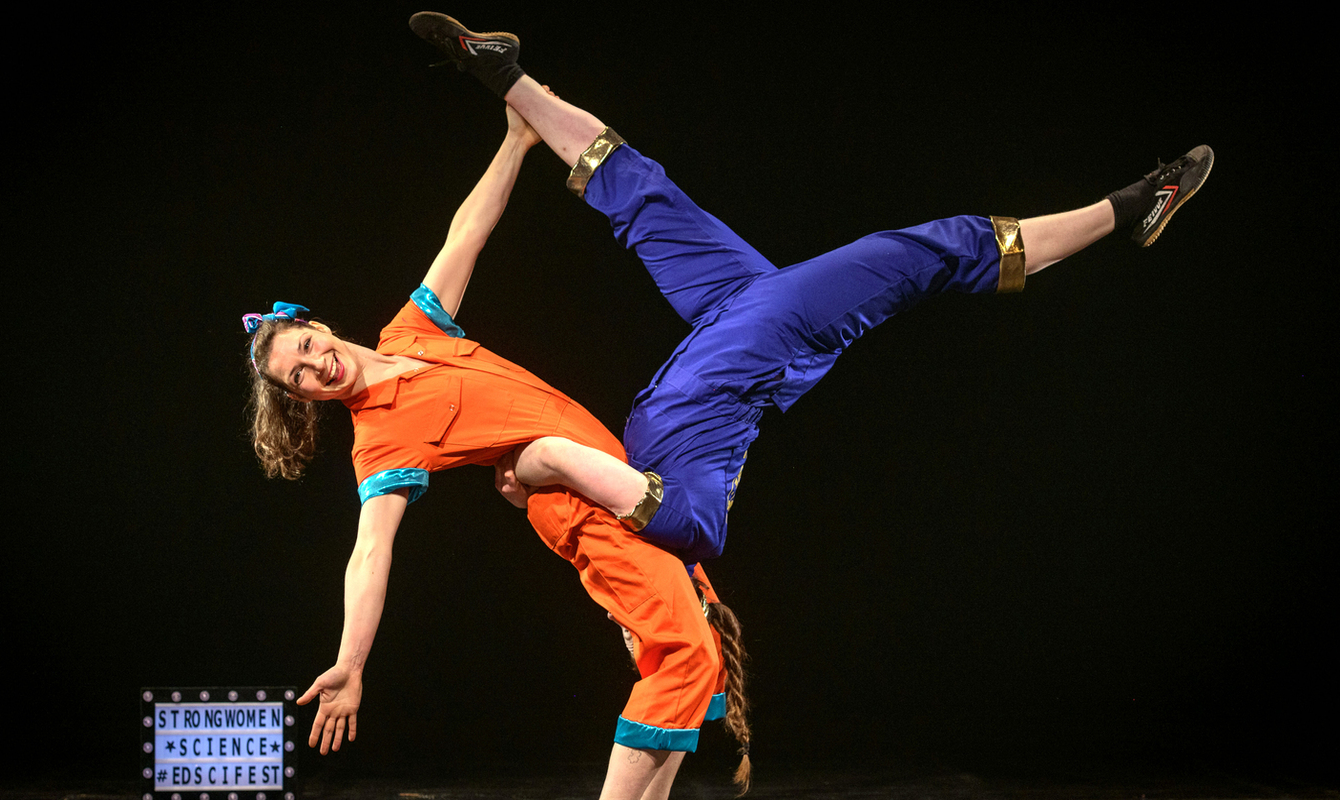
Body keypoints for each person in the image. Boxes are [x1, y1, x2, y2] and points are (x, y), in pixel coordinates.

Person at [410, 11, 1213, 574]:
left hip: (730, 315)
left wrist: (528, 489)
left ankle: (504, 72)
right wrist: (533, 479)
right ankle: (1126, 211)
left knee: (641, 195)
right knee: (928, 251)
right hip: (769, 333)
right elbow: (553, 460)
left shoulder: (627, 486)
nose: (516, 485)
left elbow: (556, 470)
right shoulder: (685, 521)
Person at [243, 84, 750, 800]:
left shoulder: (412, 331)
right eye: (299, 379)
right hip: (581, 504)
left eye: (305, 348)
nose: (315, 368)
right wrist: (351, 660)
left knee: (695, 663)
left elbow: (466, 232)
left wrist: (516, 141)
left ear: (317, 327)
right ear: (304, 399)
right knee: (683, 656)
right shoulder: (381, 440)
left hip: (617, 473)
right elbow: (370, 550)